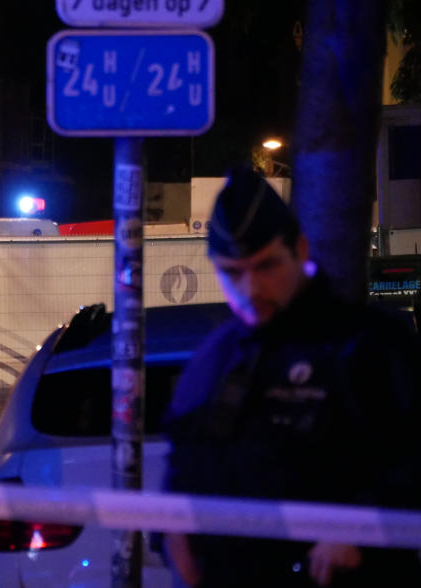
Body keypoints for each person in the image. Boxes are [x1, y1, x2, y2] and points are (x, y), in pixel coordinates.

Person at [162, 167, 421, 587]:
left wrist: (361, 528)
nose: (250, 288)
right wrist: (174, 542)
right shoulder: (217, 355)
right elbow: (181, 471)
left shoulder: (371, 342)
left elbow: (410, 461)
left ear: (300, 250)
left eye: (266, 266)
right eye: (232, 272)